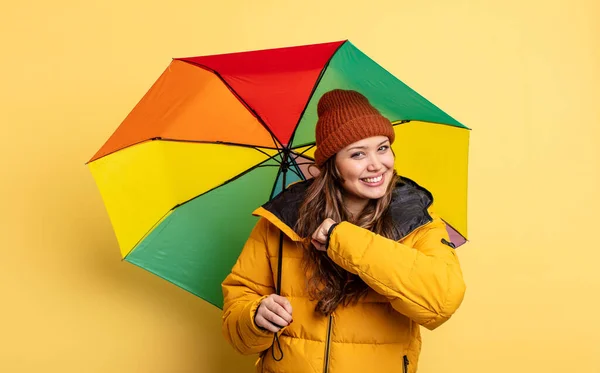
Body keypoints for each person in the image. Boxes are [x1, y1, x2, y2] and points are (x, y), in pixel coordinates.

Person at [221, 89, 466, 373]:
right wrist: (255, 317)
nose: (376, 164)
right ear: (332, 164)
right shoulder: (281, 221)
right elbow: (237, 329)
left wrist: (342, 238)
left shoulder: (416, 219)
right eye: (358, 153)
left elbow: (442, 302)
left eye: (383, 147)